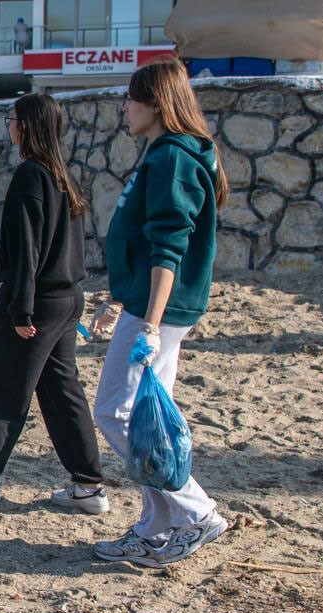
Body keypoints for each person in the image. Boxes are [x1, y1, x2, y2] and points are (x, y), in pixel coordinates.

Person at [0, 94, 107, 511]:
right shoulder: (62, 174)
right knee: (61, 390)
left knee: (0, 384)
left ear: (26, 126)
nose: (9, 125)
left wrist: (21, 309)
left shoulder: (31, 175)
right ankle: (88, 485)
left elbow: (28, 250)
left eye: (11, 118)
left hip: (39, 302)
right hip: (68, 298)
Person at [91, 58, 230, 568]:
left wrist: (149, 322)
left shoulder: (173, 157)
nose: (125, 107)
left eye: (131, 98)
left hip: (161, 311)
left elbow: (168, 249)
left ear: (155, 103)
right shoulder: (164, 153)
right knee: (148, 419)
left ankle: (195, 511)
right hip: (151, 305)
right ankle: (156, 524)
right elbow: (141, 242)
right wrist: (120, 299)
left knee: (115, 411)